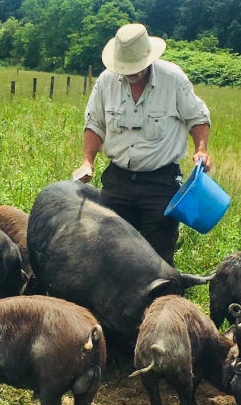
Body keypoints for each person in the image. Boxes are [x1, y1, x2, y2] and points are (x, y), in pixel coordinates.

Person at [73, 23, 212, 266]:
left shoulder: (173, 79)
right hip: (118, 180)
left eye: (136, 67)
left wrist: (201, 149)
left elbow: (198, 118)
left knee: (157, 260)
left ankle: (160, 302)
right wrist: (88, 161)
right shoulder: (106, 82)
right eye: (125, 68)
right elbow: (94, 124)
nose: (131, 73)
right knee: (108, 250)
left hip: (160, 182)